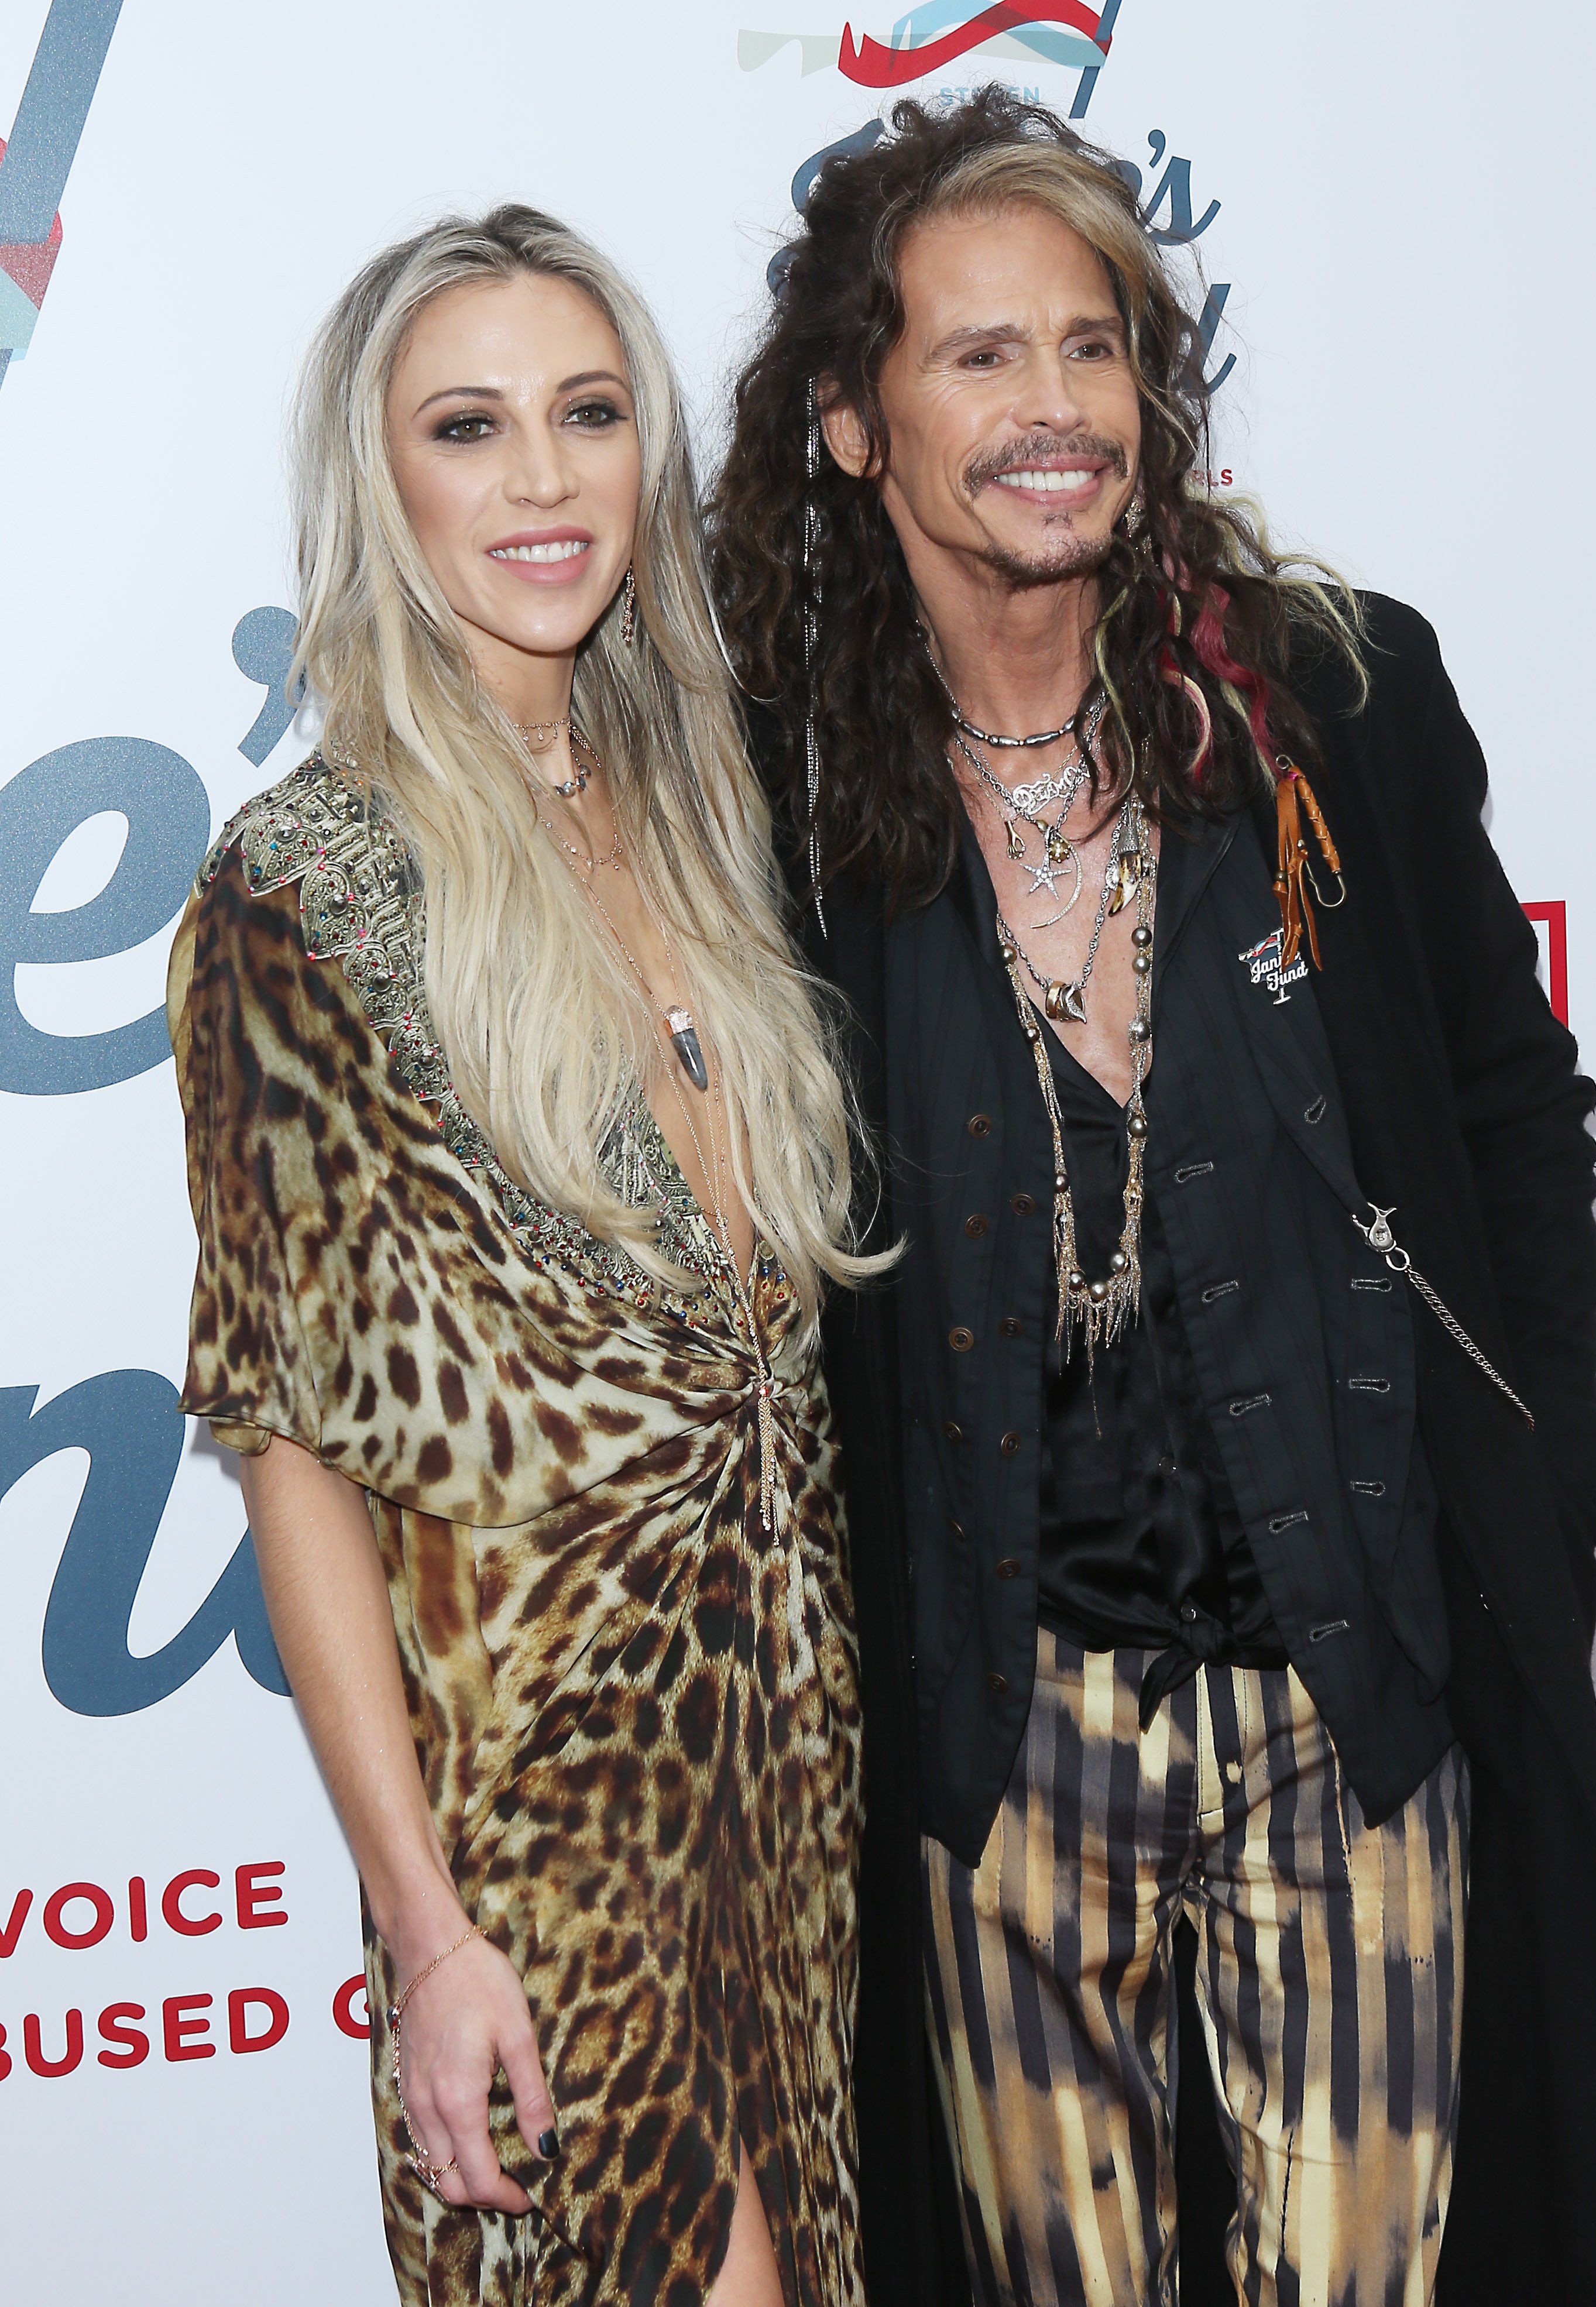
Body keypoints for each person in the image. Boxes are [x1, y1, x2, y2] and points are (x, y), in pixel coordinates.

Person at [710, 90, 1596, 2307]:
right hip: (1001, 1734)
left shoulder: (1334, 699)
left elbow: (1517, 1111)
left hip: (1356, 1695)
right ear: (857, 426)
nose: (1057, 409)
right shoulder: (774, 793)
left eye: (1096, 346)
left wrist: (1532, 1466)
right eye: (980, 356)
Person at [169, 205, 875, 2307]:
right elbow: (290, 1444)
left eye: (587, 416)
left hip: (796, 1794)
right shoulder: (306, 889)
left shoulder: (711, 817)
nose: (545, 480)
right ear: (380, 483)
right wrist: (428, 1928)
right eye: (471, 428)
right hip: (551, 1829)